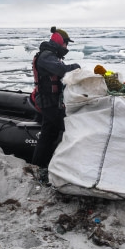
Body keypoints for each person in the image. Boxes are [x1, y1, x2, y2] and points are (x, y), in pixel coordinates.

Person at [31, 26, 81, 170]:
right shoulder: (47, 56)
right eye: (66, 43)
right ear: (60, 41)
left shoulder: (52, 56)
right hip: (48, 102)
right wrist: (77, 67)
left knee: (48, 135)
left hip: (52, 102)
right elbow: (61, 70)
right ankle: (61, 166)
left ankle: (37, 165)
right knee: (66, 128)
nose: (66, 47)